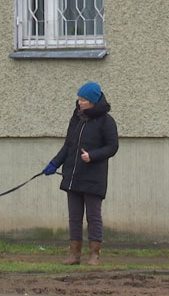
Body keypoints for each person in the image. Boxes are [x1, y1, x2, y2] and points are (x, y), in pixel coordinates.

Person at [42, 82, 119, 266]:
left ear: (92, 101)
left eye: (83, 99)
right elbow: (69, 145)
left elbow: (112, 147)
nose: (79, 102)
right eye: (79, 98)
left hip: (93, 177)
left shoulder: (106, 121)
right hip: (73, 176)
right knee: (74, 217)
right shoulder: (76, 118)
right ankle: (74, 255)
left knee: (93, 217)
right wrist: (54, 163)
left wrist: (92, 156)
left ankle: (94, 255)